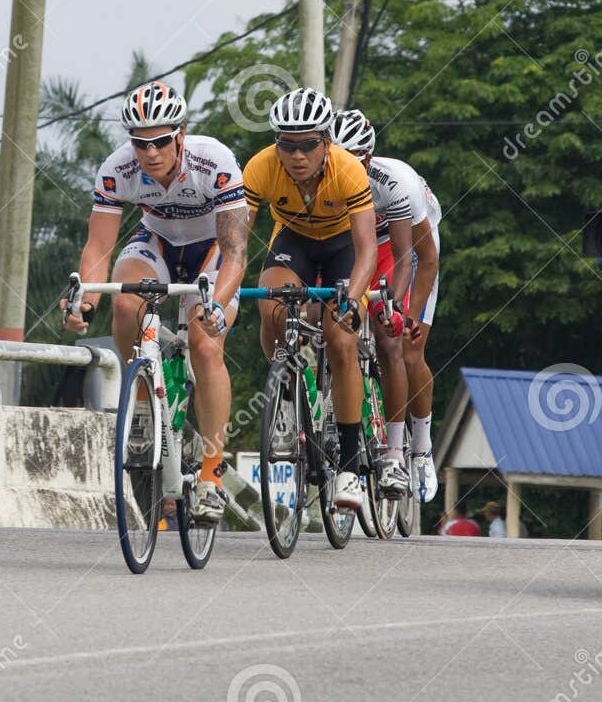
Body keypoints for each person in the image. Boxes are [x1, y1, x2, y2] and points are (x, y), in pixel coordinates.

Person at [61, 81, 248, 523]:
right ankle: (142, 395)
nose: (150, 152)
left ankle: (211, 474)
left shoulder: (214, 161)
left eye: (161, 141)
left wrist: (218, 303)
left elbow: (236, 250)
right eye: (140, 143)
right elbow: (99, 248)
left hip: (213, 250)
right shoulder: (116, 169)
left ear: (180, 134)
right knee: (126, 304)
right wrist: (84, 299)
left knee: (204, 343)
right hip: (158, 243)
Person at [241, 88, 377, 512]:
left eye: (307, 144)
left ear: (326, 142)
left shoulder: (348, 170)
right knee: (272, 304)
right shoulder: (261, 167)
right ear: (276, 143)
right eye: (287, 144)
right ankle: (285, 395)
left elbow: (368, 248)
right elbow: (237, 242)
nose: (296, 155)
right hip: (295, 240)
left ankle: (351, 466)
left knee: (340, 340)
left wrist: (352, 300)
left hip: (343, 247)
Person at [332, 109, 443, 501]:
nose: (346, 166)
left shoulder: (394, 183)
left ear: (368, 157)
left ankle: (413, 450)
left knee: (402, 345)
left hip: (407, 248)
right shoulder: (320, 177)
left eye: (355, 159)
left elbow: (418, 258)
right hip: (359, 245)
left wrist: (405, 314)